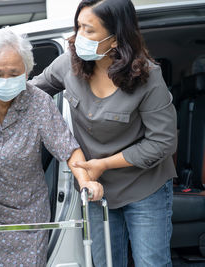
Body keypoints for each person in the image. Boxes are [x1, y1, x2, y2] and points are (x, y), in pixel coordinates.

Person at [31, 0, 177, 266]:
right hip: (96, 190)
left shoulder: (148, 77)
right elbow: (30, 96)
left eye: (89, 31)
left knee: (151, 263)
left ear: (115, 39)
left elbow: (163, 142)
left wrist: (104, 164)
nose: (79, 38)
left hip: (144, 186)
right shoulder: (67, 64)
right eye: (79, 27)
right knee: (105, 262)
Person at [0, 28, 103, 266]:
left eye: (14, 73)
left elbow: (68, 148)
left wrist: (85, 181)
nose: (5, 80)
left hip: (29, 215)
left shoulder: (39, 102)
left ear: (27, 72)